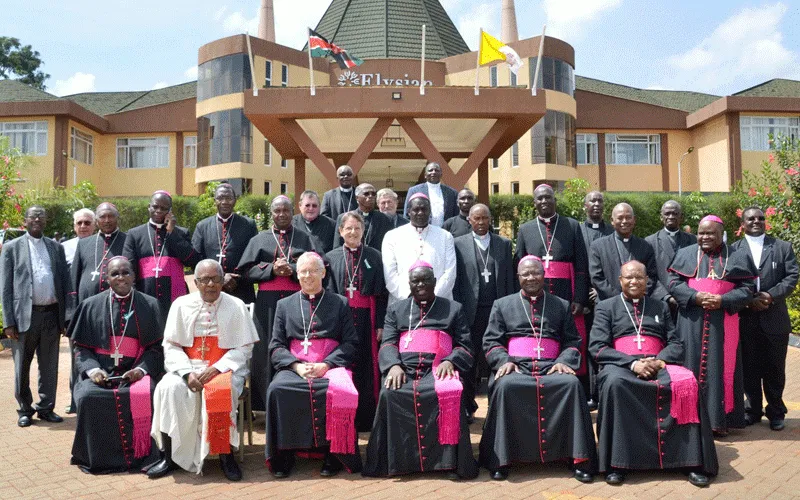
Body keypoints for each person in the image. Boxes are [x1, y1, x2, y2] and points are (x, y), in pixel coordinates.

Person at [590, 260, 717, 487]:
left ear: (647, 281)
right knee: (615, 384)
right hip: (622, 366)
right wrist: (632, 364)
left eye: (639, 277)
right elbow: (598, 347)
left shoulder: (660, 306)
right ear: (620, 281)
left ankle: (690, 461)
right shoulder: (606, 307)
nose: (634, 281)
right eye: (628, 277)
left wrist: (659, 361)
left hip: (659, 363)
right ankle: (618, 464)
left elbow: (676, 343)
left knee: (687, 382)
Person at [479, 256, 597, 482]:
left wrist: (564, 361)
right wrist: (504, 361)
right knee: (506, 385)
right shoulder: (502, 305)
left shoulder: (561, 305)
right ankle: (500, 459)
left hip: (552, 365)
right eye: (526, 274)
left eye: (536, 273)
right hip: (517, 365)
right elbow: (491, 341)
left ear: (544, 275)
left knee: (571, 384)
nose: (531, 277)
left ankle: (579, 458)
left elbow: (573, 341)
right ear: (518, 277)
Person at [364, 261, 478, 479]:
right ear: (409, 284)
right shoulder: (396, 309)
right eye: (415, 280)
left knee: (450, 391)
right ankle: (393, 462)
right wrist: (393, 366)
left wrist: (451, 361)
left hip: (439, 369)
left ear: (434, 282)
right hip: (405, 369)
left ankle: (450, 463)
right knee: (390, 393)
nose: (421, 284)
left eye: (426, 279)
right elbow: (387, 343)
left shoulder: (453, 309)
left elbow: (465, 345)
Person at [148, 260, 259, 481]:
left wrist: (217, 368)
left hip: (224, 368)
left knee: (220, 391)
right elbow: (171, 345)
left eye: (216, 279)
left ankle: (226, 456)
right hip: (188, 368)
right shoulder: (180, 304)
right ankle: (169, 456)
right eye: (205, 280)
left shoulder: (236, 305)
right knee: (167, 388)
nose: (210, 285)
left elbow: (245, 346)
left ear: (223, 280)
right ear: (196, 282)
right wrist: (187, 373)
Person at [266, 253, 362, 477]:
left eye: (313, 271)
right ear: (297, 275)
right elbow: (276, 346)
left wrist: (327, 364)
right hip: (296, 366)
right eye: (303, 272)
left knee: (338, 390)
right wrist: (296, 366)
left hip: (331, 366)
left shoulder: (339, 303)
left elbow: (351, 343)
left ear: (323, 273)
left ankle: (333, 454)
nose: (308, 276)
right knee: (278, 389)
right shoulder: (284, 305)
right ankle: (285, 453)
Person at [69, 256, 164, 474]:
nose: (121, 277)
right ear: (107, 278)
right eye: (115, 274)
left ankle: (142, 457)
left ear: (134, 275)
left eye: (125, 272)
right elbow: (81, 348)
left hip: (135, 373)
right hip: (100, 373)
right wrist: (93, 370)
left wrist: (140, 370)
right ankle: (98, 458)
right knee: (87, 396)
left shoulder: (149, 304)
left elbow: (156, 348)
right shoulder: (90, 305)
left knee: (147, 393)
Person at [668, 215, 756, 435]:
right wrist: (695, 297)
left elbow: (747, 288)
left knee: (721, 368)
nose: (705, 237)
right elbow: (672, 282)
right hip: (692, 321)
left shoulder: (737, 255)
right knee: (689, 365)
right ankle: (689, 418)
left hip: (722, 322)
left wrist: (722, 300)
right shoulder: (686, 253)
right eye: (701, 233)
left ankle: (720, 421)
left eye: (710, 233)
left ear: (721, 234)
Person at [237, 195, 317, 411]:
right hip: (267, 305)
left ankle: (295, 403)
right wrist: (271, 269)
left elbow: (319, 265)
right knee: (265, 351)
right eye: (277, 211)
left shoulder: (304, 237)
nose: (281, 215)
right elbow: (245, 271)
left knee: (295, 347)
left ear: (293, 213)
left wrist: (292, 269)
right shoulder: (259, 239)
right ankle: (264, 404)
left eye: (286, 211)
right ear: (271, 214)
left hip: (296, 303)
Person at [514, 184, 591, 400]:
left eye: (548, 198)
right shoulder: (525, 229)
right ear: (534, 203)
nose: (544, 202)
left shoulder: (572, 226)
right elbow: (518, 266)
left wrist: (579, 298)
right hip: (535, 294)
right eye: (539, 199)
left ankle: (573, 387)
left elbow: (581, 265)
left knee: (569, 338)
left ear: (554, 200)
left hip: (566, 294)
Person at [1, 206, 70, 427]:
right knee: (22, 366)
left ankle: (46, 408)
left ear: (46, 220)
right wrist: (8, 322)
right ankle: (24, 409)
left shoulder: (55, 248)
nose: (37, 219)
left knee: (49, 365)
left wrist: (64, 318)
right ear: (25, 220)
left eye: (41, 215)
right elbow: (5, 288)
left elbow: (64, 284)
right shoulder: (12, 248)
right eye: (33, 216)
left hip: (51, 315)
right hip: (24, 317)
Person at [732, 207, 798, 431]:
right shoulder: (733, 250)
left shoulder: (782, 247)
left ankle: (776, 411)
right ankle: (752, 410)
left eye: (760, 218)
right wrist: (749, 299)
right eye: (751, 218)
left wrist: (770, 295)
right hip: (746, 318)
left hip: (775, 318)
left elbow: (792, 276)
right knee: (749, 368)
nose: (756, 221)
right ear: (743, 222)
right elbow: (730, 281)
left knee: (774, 369)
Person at [325, 212, 386, 431]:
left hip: (367, 317)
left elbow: (381, 295)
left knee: (367, 368)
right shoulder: (330, 258)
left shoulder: (374, 256)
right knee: (343, 365)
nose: (353, 232)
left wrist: (380, 323)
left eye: (357, 228)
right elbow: (328, 294)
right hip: (341, 319)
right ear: (340, 231)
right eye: (348, 228)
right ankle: (344, 419)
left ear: (363, 231)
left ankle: (367, 418)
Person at [453, 203, 514, 420]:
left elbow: (510, 280)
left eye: (484, 218)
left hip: (498, 313)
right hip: (470, 313)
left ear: (490, 219)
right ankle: (469, 407)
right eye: (476, 219)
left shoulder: (504, 244)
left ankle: (496, 408)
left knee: (495, 359)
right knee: (468, 361)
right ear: (469, 220)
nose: (480, 223)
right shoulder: (458, 244)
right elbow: (457, 282)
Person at [67, 202, 127, 414]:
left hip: (115, 312)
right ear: (97, 221)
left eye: (111, 216)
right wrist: (70, 315)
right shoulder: (85, 244)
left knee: (109, 355)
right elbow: (73, 281)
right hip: (84, 313)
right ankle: (77, 400)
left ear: (117, 218)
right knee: (80, 355)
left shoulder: (127, 241)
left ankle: (108, 393)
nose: (107, 220)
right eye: (102, 217)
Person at [122, 191, 198, 314]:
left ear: (170, 211)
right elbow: (129, 267)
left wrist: (172, 232)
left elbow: (191, 260)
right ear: (149, 207)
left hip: (175, 297)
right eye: (155, 206)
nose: (158, 210)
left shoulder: (181, 233)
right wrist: (133, 295)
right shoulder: (134, 234)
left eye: (163, 208)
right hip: (144, 294)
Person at [382, 193, 456, 307]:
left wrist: (433, 296)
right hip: (403, 302)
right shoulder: (392, 236)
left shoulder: (445, 236)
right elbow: (390, 274)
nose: (420, 213)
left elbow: (450, 272)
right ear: (408, 211)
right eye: (416, 209)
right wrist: (408, 295)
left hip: (439, 301)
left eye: (424, 209)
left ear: (430, 211)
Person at [192, 183, 258, 303]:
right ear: (215, 200)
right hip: (210, 289)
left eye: (228, 198)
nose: (224, 202)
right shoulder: (202, 226)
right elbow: (196, 259)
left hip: (240, 289)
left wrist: (237, 278)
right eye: (220, 198)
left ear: (235, 200)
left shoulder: (248, 225)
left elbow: (254, 258)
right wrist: (218, 278)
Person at [578, 191, 613, 409]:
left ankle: (603, 392)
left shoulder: (612, 231)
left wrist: (601, 293)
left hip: (607, 299)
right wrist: (583, 296)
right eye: (592, 201)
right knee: (586, 346)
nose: (597, 204)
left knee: (605, 344)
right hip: (584, 301)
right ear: (585, 206)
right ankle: (588, 392)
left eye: (600, 201)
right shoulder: (577, 231)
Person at [589, 203, 661, 301]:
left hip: (639, 302)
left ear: (634, 220)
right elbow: (597, 277)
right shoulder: (598, 246)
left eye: (628, 217)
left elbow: (651, 276)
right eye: (620, 218)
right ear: (612, 221)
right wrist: (620, 299)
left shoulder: (645, 246)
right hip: (608, 304)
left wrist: (638, 294)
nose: (624, 221)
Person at [646, 200, 697, 317]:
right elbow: (649, 275)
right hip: (661, 301)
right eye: (667, 213)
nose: (671, 217)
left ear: (681, 217)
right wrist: (666, 297)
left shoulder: (693, 241)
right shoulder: (650, 242)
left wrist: (687, 295)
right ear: (661, 217)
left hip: (688, 301)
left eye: (675, 213)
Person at [333, 183, 393, 251]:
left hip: (376, 259)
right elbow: (337, 247)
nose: (370, 196)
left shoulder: (385, 219)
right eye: (366, 194)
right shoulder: (343, 218)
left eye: (373, 194)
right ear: (357, 198)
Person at [403, 162, 459, 226]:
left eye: (436, 170)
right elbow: (407, 214)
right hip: (421, 231)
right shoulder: (414, 190)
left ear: (441, 174)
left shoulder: (452, 192)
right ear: (425, 175)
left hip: (446, 232)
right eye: (430, 170)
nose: (433, 172)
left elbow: (456, 215)